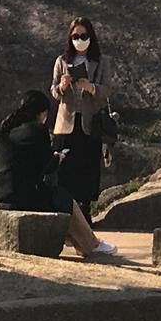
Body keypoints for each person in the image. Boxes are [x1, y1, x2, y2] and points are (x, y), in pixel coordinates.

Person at [0, 90, 116, 260]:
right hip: (19, 194)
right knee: (64, 199)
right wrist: (57, 159)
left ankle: (79, 242)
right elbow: (45, 167)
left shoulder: (8, 130)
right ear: (42, 113)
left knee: (55, 197)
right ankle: (92, 245)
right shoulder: (37, 130)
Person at [49, 16, 113, 225]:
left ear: (91, 36)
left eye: (83, 36)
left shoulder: (101, 62)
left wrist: (91, 87)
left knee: (88, 166)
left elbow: (107, 90)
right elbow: (54, 91)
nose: (79, 40)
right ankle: (65, 210)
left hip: (90, 122)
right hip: (66, 122)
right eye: (75, 36)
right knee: (64, 168)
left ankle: (85, 212)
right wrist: (62, 86)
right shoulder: (62, 61)